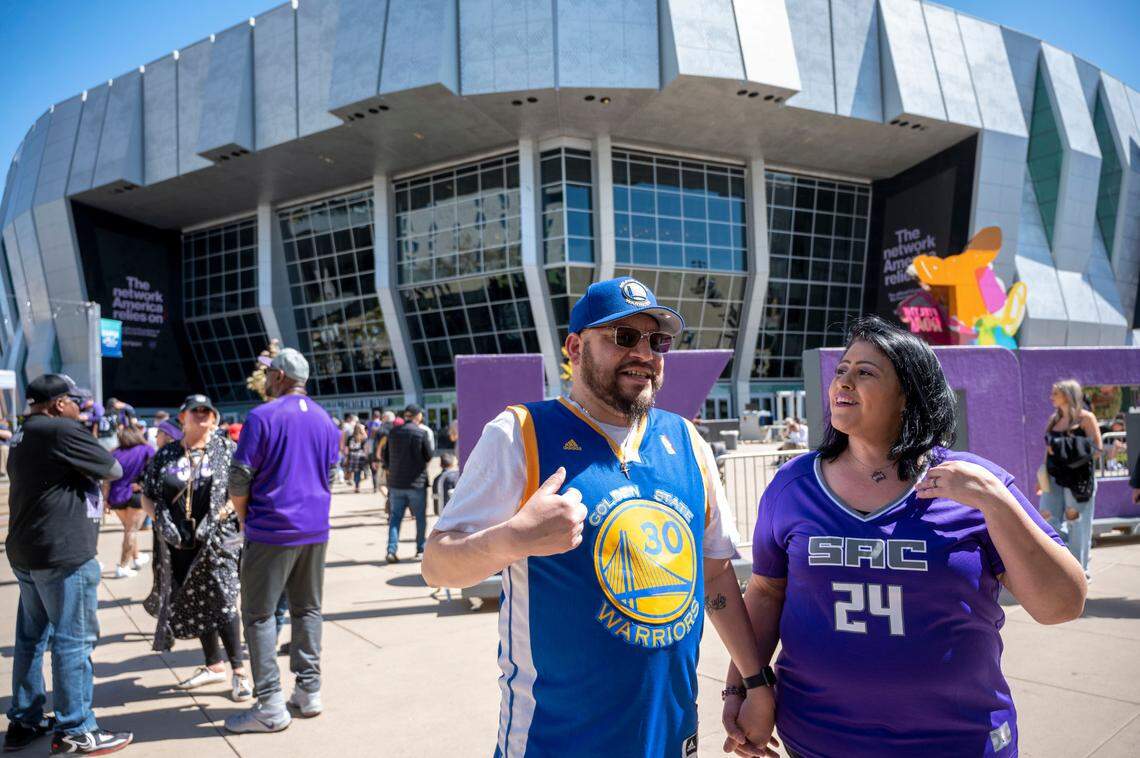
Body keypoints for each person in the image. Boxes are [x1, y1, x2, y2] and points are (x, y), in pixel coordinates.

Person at [422, 277, 774, 757]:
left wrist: (751, 682)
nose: (645, 353)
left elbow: (713, 574)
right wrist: (512, 539)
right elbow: (437, 565)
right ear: (575, 347)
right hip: (558, 739)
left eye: (658, 341)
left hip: (670, 734)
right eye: (624, 337)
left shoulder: (687, 442)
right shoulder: (520, 433)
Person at [724, 315, 1085, 758]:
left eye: (865, 372)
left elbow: (1062, 605)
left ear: (907, 395)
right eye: (842, 369)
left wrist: (997, 503)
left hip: (959, 743)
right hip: (818, 741)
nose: (844, 381)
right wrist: (741, 690)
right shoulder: (793, 486)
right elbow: (764, 593)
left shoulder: (974, 484)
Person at [4, 374, 133, 755]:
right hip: (62, 554)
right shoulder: (61, 429)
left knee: (31, 639)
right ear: (60, 404)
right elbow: (112, 468)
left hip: (28, 552)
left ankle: (24, 719)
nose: (84, 407)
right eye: (78, 401)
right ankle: (76, 727)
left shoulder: (24, 432)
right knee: (73, 641)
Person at [225, 348, 340, 733]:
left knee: (258, 615)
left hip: (272, 528)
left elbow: (239, 477)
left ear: (277, 377)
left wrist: (243, 518)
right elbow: (330, 472)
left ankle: (270, 703)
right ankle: (309, 691)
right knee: (308, 609)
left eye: (268, 375)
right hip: (314, 528)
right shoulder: (326, 420)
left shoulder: (262, 416)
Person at [139, 394, 250, 702]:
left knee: (224, 598)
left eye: (207, 412)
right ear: (183, 417)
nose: (201, 416)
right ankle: (214, 665)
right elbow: (147, 495)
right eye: (195, 411)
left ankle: (239, 672)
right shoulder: (166, 455)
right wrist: (160, 520)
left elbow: (241, 491)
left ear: (214, 418)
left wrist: (220, 515)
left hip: (220, 540)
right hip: (179, 543)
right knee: (195, 595)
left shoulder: (227, 450)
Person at [1039, 379, 1102, 574]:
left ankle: (1079, 570)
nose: (1051, 397)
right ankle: (1062, 560)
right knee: (1045, 516)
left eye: (1055, 394)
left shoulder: (1086, 418)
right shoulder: (1054, 419)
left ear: (1067, 395)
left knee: (1077, 522)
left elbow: (1097, 449)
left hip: (1078, 478)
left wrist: (1068, 450)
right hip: (1054, 477)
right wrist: (1041, 476)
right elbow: (1048, 451)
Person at [382, 404, 434, 563]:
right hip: (416, 484)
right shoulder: (421, 432)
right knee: (420, 518)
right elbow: (428, 455)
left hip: (396, 484)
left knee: (395, 518)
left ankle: (391, 550)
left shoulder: (393, 432)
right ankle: (420, 549)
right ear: (417, 416)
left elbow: (386, 458)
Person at [105, 426, 155, 578]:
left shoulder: (113, 453)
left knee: (128, 529)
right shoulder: (146, 449)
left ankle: (137, 558)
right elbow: (153, 470)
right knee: (131, 531)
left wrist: (105, 500)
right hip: (135, 494)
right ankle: (122, 566)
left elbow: (106, 479)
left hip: (116, 496)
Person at [344, 423, 370, 493]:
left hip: (352, 456)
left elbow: (346, 449)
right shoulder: (364, 437)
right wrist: (367, 456)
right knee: (358, 472)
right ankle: (357, 486)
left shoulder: (350, 437)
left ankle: (356, 485)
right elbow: (366, 448)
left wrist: (346, 456)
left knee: (355, 472)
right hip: (361, 456)